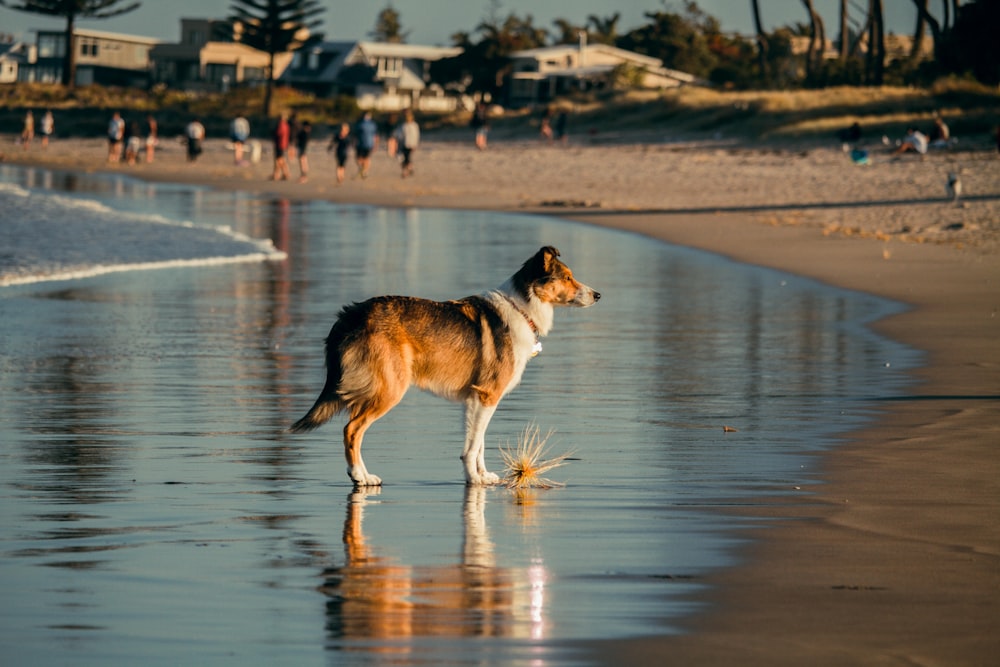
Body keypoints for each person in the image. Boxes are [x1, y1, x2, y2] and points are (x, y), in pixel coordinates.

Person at [394, 110, 420, 178]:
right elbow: (398, 135)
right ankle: (407, 170)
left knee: (407, 158)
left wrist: (415, 144)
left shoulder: (414, 125)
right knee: (402, 159)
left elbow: (416, 135)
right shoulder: (403, 125)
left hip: (410, 144)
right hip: (403, 144)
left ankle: (407, 170)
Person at [353, 111, 378, 179]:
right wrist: (375, 145)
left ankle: (363, 168)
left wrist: (354, 143)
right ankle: (365, 171)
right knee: (366, 158)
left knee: (359, 158)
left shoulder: (359, 124)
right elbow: (375, 136)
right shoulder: (373, 124)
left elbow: (355, 135)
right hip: (369, 144)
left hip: (361, 144)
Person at [271, 112, 291, 181]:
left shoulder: (281, 125)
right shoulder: (286, 125)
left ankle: (278, 174)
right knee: (281, 159)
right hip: (284, 144)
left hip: (280, 144)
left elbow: (278, 134)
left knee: (279, 159)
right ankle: (283, 173)